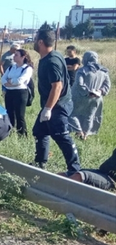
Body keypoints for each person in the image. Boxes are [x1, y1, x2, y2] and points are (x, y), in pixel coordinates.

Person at [32, 29, 80, 174]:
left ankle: (75, 169)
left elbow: (57, 86)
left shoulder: (52, 61)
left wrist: (48, 109)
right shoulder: (53, 56)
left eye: (35, 39)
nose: (33, 41)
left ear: (41, 42)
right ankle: (40, 162)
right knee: (39, 131)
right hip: (52, 104)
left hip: (57, 105)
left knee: (61, 135)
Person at [69, 50, 110, 140]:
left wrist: (88, 92)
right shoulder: (103, 71)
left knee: (71, 114)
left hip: (81, 97)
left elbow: (79, 84)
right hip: (96, 98)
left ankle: (79, 131)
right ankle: (85, 135)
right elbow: (107, 86)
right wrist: (99, 91)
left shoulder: (82, 70)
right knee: (89, 116)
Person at [0, 48, 34, 136]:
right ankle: (9, 133)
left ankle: (22, 135)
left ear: (23, 57)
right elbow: (3, 79)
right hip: (10, 93)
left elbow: (20, 80)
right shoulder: (12, 67)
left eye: (16, 55)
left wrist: (10, 81)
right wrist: (9, 83)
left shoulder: (27, 68)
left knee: (20, 115)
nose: (14, 56)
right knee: (9, 113)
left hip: (21, 93)